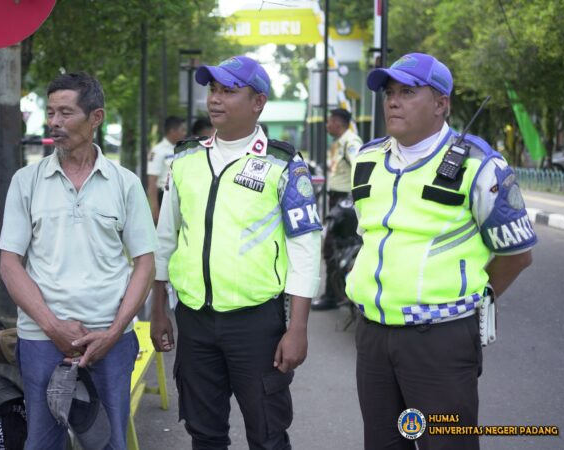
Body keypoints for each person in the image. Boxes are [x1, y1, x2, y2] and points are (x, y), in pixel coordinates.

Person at [349, 52, 535, 450]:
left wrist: (472, 299)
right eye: (389, 92)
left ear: (441, 104)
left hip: (440, 341)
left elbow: (517, 254)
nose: (393, 101)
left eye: (408, 92)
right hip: (373, 339)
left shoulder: (479, 165)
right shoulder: (366, 159)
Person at [150, 55, 323, 449]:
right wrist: (158, 307)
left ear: (257, 102)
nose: (215, 99)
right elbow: (166, 238)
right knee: (204, 433)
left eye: (229, 91)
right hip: (194, 320)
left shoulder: (283, 163)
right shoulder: (186, 158)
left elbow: (305, 249)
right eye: (213, 89)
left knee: (267, 434)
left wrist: (297, 328)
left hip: (256, 325)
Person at [0, 72, 157, 450]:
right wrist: (52, 326)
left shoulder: (125, 183)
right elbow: (8, 263)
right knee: (42, 440)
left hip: (109, 338)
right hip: (40, 337)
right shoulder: (27, 180)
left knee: (108, 440)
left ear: (96, 117)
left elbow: (145, 264)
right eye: (51, 112)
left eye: (66, 113)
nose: (55, 122)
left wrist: (115, 330)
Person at [312, 108, 363, 310]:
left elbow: (359, 170)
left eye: (329, 121)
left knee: (334, 248)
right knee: (336, 248)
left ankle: (334, 296)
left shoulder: (351, 143)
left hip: (345, 204)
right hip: (338, 202)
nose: (327, 125)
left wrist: (350, 201)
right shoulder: (340, 143)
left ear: (338, 122)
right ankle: (339, 294)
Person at [147, 115, 187, 222]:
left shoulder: (183, 149)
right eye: (182, 130)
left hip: (180, 196)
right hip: (164, 197)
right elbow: (152, 181)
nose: (184, 133)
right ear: (172, 131)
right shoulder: (158, 151)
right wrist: (155, 208)